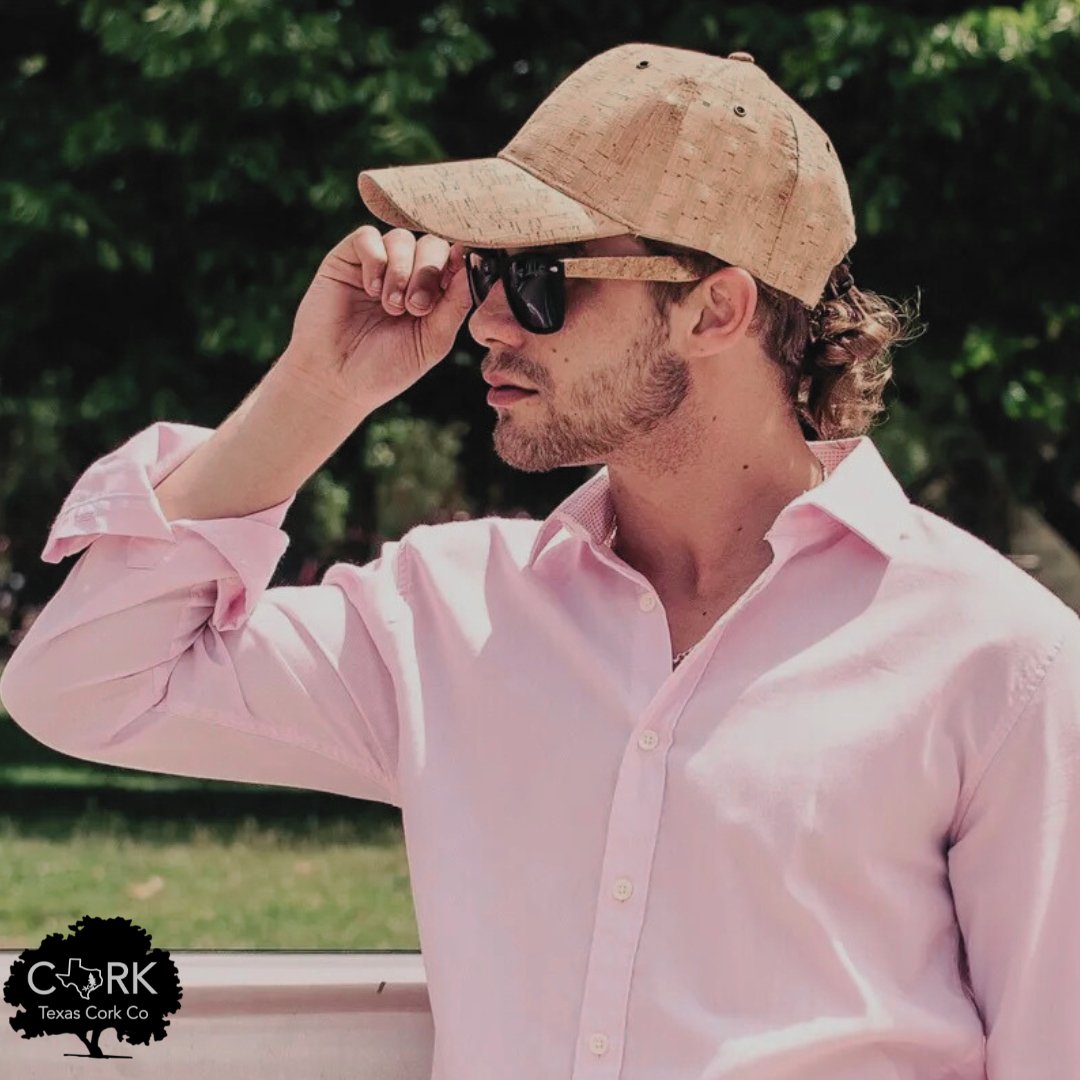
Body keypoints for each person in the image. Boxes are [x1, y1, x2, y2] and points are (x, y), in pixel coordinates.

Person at [2, 41, 1078, 1080]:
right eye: (488, 275)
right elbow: (82, 687)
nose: (483, 323)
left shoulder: (999, 658)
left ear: (718, 308)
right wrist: (316, 391)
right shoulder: (445, 617)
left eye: (540, 278)